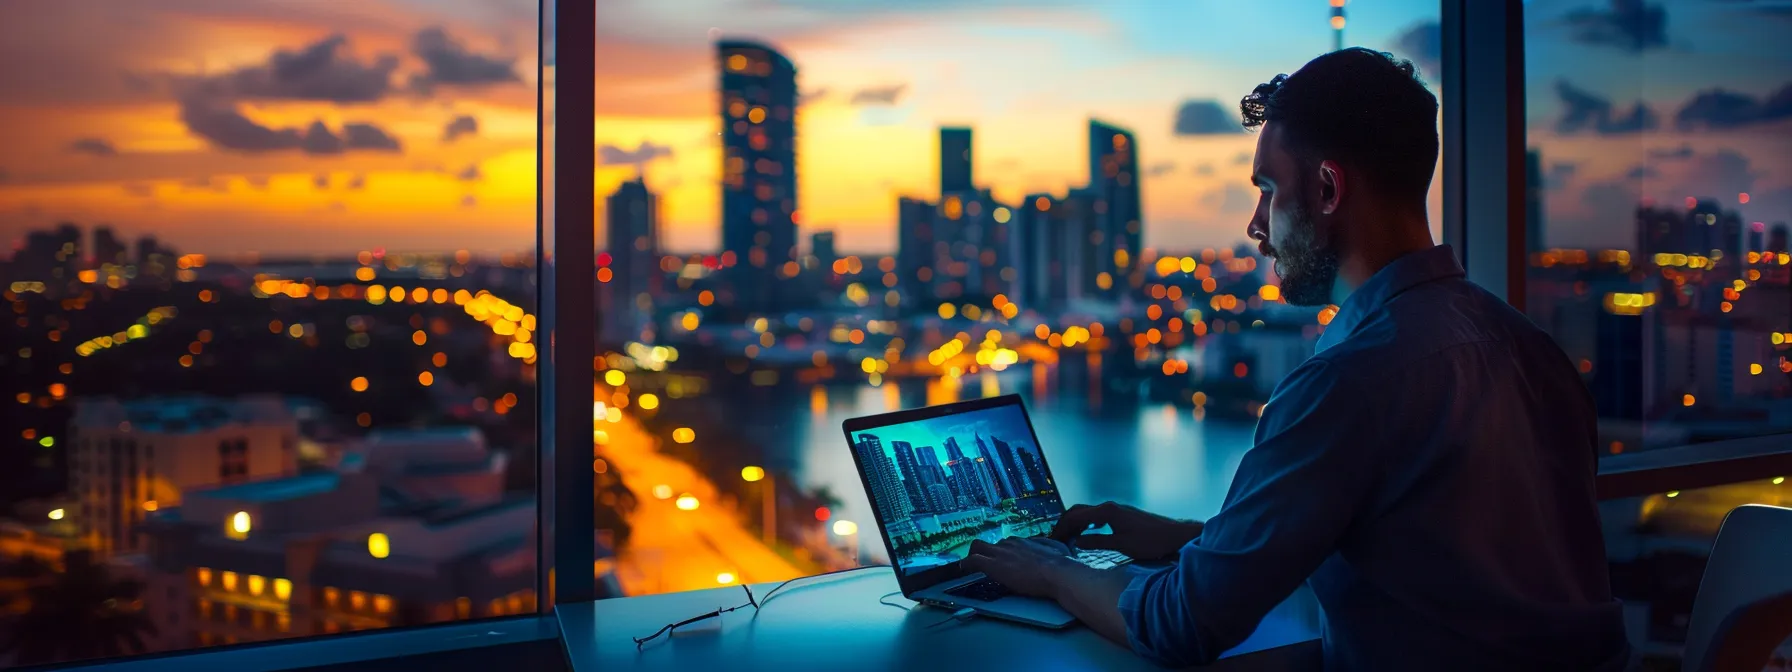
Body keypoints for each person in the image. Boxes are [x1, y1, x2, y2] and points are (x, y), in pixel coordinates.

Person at [962, 48, 1631, 670]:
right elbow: (1430, 562)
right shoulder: (1530, 348)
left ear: (1328, 190)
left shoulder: (1349, 379)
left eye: (1268, 189)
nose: (1256, 225)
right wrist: (1185, 540)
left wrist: (1051, 568)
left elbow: (1179, 624)